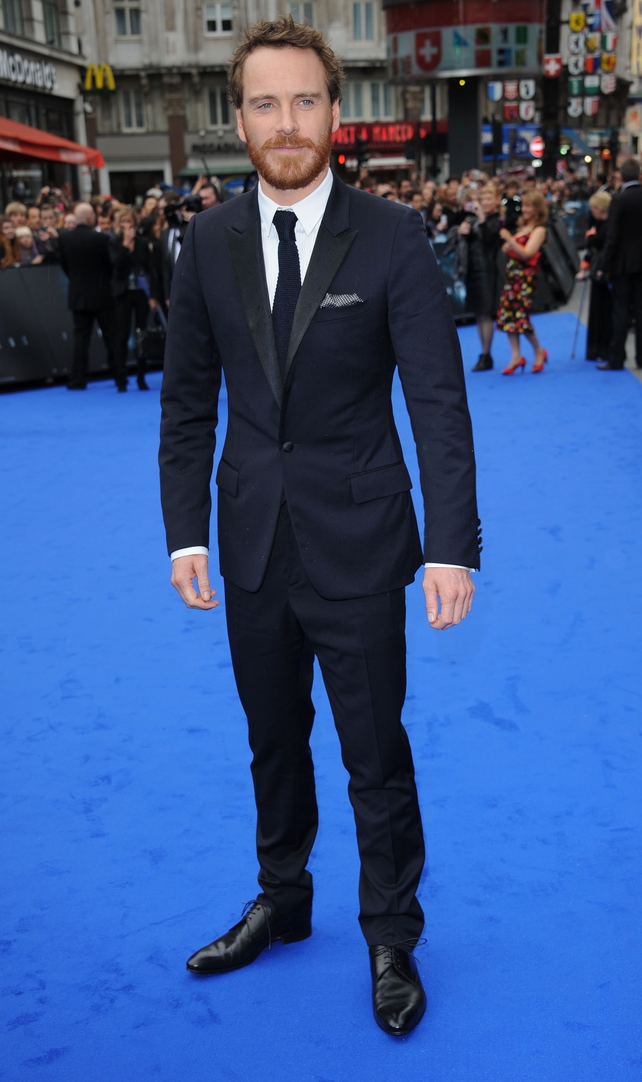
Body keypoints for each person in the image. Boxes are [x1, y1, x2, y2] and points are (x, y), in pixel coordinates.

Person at [159, 16, 480, 1038]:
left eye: (305, 101)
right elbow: (186, 401)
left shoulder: (389, 235)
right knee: (270, 737)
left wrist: (449, 542)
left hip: (359, 539)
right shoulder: (205, 239)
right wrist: (185, 533)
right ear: (239, 117)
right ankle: (283, 896)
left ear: (335, 112)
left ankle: (391, 927)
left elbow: (437, 398)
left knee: (372, 747)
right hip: (249, 539)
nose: (286, 123)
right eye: (265, 102)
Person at [57, 202, 116, 390]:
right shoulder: (101, 239)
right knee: (110, 337)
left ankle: (78, 379)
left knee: (81, 339)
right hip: (102, 294)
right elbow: (110, 266)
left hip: (78, 295)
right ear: (90, 217)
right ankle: (118, 374)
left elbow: (64, 266)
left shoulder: (65, 239)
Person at [496, 190, 548, 374]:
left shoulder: (539, 230)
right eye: (523, 205)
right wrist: (508, 245)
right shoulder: (522, 228)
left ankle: (539, 352)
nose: (524, 209)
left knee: (521, 317)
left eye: (528, 206)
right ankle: (516, 356)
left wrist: (510, 240)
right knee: (508, 315)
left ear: (537, 209)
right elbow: (515, 250)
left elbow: (527, 253)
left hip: (525, 279)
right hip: (512, 277)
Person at [599, 158, 642, 371]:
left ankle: (616, 359)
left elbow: (613, 237)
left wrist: (603, 264)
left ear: (621, 176)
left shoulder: (619, 200)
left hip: (622, 265)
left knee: (620, 312)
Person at [111, 206, 160, 391]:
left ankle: (141, 377)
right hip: (122, 293)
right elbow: (116, 265)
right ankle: (121, 378)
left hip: (141, 293)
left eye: (129, 222)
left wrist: (153, 295)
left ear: (135, 223)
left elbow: (150, 269)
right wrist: (125, 246)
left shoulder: (142, 243)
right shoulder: (114, 242)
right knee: (121, 334)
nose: (126, 225)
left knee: (142, 334)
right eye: (123, 222)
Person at [457, 185, 503, 371]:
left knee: (485, 313)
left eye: (488, 199)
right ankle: (485, 354)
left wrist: (482, 220)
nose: (484, 203)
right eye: (482, 200)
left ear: (496, 201)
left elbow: (490, 241)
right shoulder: (474, 219)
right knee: (478, 314)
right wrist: (463, 232)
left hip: (487, 269)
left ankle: (486, 354)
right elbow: (469, 242)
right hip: (473, 269)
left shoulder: (497, 220)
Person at [581, 191, 612, 363]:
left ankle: (604, 348)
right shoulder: (598, 223)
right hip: (597, 269)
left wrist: (592, 238)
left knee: (606, 310)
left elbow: (597, 242)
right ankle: (595, 348)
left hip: (605, 270)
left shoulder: (609, 225)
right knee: (597, 309)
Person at [159, 193, 202, 306]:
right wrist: (167, 295)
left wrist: (195, 221)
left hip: (194, 287)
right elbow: (164, 268)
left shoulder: (194, 227)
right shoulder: (165, 233)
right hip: (174, 291)